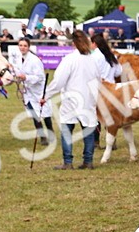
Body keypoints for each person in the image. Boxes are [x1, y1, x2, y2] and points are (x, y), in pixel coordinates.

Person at [43, 30, 103, 170]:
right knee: (87, 130)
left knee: (66, 130)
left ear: (73, 43)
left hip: (71, 100)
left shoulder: (70, 59)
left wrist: (46, 96)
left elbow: (59, 81)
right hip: (88, 99)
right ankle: (88, 161)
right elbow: (98, 81)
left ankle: (68, 162)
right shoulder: (92, 60)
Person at [9, 38, 52, 144]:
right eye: (20, 45)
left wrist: (26, 78)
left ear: (28, 47)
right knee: (34, 115)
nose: (22, 47)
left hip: (38, 91)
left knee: (45, 114)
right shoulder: (18, 59)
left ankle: (51, 133)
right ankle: (42, 137)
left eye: (24, 46)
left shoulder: (34, 60)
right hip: (28, 92)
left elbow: (40, 77)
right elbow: (17, 71)